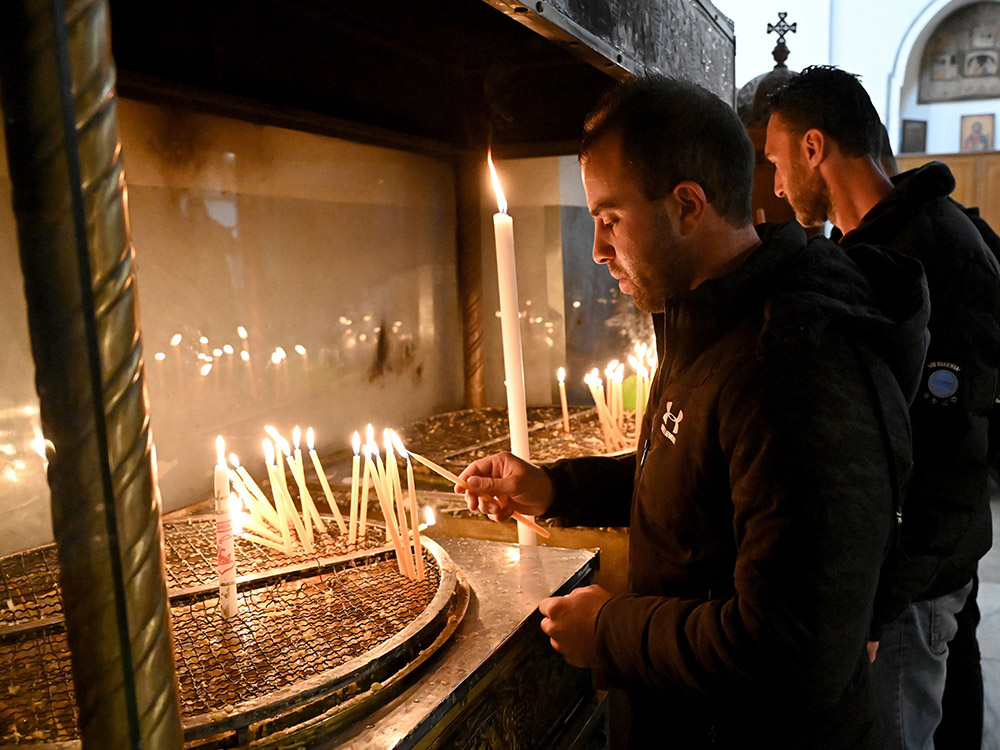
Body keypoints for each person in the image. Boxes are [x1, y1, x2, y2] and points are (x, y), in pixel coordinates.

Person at [458, 76, 930, 749]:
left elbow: (792, 649)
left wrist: (610, 629)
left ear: (686, 205)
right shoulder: (710, 317)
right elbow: (694, 478)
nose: (597, 248)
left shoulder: (794, 364)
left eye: (610, 218)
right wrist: (555, 488)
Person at [765, 65, 1000, 750]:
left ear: (814, 148)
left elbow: (953, 450)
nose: (777, 186)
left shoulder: (929, 252)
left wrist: (883, 597)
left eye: (779, 163)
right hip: (930, 567)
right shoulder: (878, 243)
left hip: (914, 579)